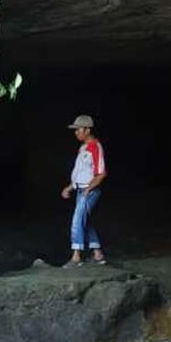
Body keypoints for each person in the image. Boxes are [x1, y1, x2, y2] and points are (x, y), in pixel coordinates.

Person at [61, 114, 107, 267]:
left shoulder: (95, 146)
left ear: (87, 130)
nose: (76, 133)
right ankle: (98, 254)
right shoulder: (83, 148)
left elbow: (101, 173)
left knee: (77, 220)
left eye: (78, 129)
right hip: (81, 189)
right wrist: (70, 187)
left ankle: (76, 257)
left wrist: (88, 189)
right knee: (85, 221)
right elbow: (80, 173)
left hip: (90, 190)